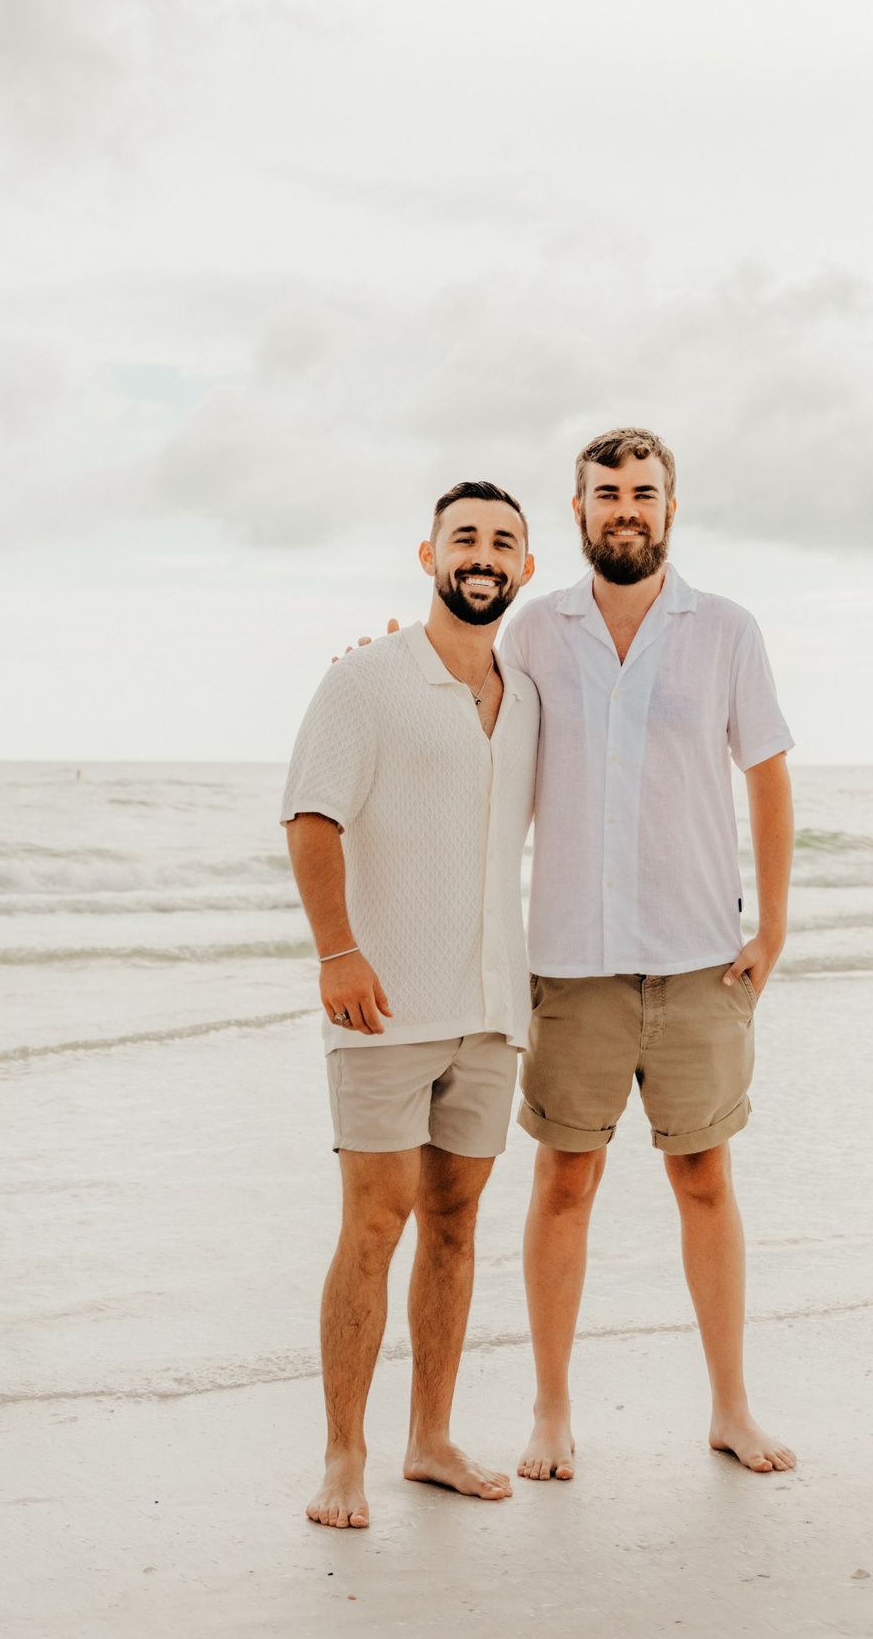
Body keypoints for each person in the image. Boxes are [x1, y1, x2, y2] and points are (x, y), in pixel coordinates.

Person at [502, 427, 799, 1480]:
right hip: (571, 964)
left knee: (703, 1179)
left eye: (643, 490)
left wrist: (771, 928)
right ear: (575, 511)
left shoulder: (724, 631)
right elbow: (470, 741)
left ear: (671, 507)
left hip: (696, 962)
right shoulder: (533, 634)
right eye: (605, 491)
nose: (625, 506)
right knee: (563, 1181)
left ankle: (730, 1408)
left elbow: (765, 774)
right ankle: (549, 1414)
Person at [280, 480, 540, 1528]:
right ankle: (342, 1455)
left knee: (456, 1222)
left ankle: (429, 1438)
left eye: (503, 542)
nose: (482, 554)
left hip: (489, 1007)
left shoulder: (529, 695)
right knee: (373, 1223)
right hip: (383, 1006)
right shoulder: (364, 680)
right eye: (464, 537)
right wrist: (336, 950)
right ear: (428, 555)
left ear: (524, 569)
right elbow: (310, 818)